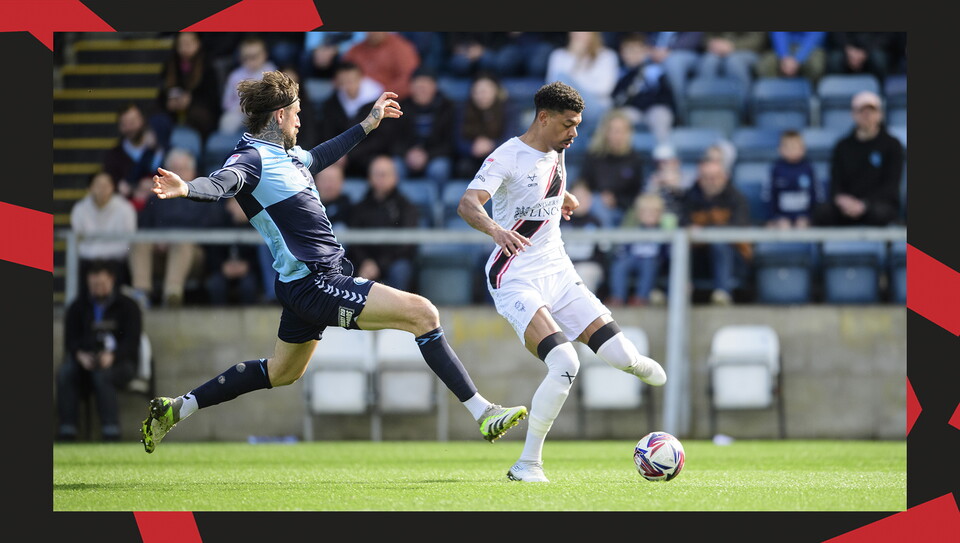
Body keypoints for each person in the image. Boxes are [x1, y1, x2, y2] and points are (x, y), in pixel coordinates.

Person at [140, 70, 527, 454]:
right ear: (279, 116)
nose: (299, 119)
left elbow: (319, 156)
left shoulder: (286, 154)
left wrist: (367, 124)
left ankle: (177, 408)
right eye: (296, 113)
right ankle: (482, 411)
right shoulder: (251, 158)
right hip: (315, 282)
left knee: (282, 371)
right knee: (423, 314)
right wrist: (188, 187)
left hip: (300, 284)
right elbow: (223, 182)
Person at [457, 81, 666, 483]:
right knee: (565, 363)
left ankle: (634, 363)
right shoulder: (507, 156)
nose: (575, 133)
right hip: (515, 277)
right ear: (544, 117)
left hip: (559, 272)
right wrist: (496, 232)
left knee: (621, 357)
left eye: (579, 125)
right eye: (569, 125)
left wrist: (563, 197)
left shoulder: (557, 150)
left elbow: (540, 187)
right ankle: (527, 465)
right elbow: (468, 203)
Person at [56, 260, 143, 441]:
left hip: (121, 363)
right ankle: (67, 429)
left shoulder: (128, 307)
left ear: (112, 280)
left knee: (102, 375)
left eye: (101, 284)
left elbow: (132, 342)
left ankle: (111, 431)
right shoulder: (77, 307)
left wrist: (113, 356)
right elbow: (70, 341)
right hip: (85, 362)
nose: (97, 288)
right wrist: (80, 356)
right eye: (93, 284)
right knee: (65, 373)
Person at [129, 148, 210, 308]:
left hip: (192, 257)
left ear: (192, 172)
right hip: (159, 254)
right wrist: (158, 239)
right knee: (140, 241)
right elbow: (145, 226)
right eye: (174, 170)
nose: (178, 174)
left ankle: (172, 294)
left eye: (183, 169)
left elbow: (207, 230)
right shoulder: (155, 198)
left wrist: (172, 239)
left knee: (182, 242)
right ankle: (141, 293)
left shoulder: (204, 196)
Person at [812, 90, 904, 227]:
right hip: (846, 207)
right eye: (862, 111)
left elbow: (890, 185)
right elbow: (836, 181)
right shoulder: (842, 146)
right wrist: (842, 200)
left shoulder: (892, 145)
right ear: (853, 115)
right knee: (821, 213)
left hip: (877, 206)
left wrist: (864, 205)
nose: (867, 115)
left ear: (880, 114)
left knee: (884, 213)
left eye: (871, 111)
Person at [681, 158, 752, 306]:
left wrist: (707, 232)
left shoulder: (737, 198)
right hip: (699, 256)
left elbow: (738, 229)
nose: (711, 181)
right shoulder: (690, 198)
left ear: (724, 177)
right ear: (699, 179)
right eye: (706, 178)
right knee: (679, 247)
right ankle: (676, 292)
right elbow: (682, 224)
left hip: (732, 257)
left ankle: (722, 293)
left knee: (719, 244)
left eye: (715, 177)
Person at [346, 155, 421, 292]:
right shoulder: (359, 207)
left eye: (384, 174)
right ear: (369, 178)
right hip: (364, 263)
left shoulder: (407, 208)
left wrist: (379, 265)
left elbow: (406, 245)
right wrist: (365, 262)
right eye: (376, 174)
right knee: (344, 267)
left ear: (395, 177)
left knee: (401, 269)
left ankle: (399, 312)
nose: (380, 179)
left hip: (393, 262)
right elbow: (353, 241)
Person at [317, 61, 391, 178]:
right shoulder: (332, 103)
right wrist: (337, 153)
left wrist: (349, 154)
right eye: (343, 82)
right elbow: (328, 132)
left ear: (361, 78)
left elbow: (381, 139)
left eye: (351, 80)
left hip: (369, 156)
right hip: (339, 157)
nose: (348, 85)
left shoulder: (377, 102)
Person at [577, 107, 647, 228]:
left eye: (621, 131)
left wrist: (616, 200)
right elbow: (584, 182)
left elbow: (637, 192)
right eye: (614, 131)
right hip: (594, 205)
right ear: (605, 132)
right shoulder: (594, 156)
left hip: (624, 210)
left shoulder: (634, 159)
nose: (617, 135)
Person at [69, 170, 137, 294]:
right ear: (89, 188)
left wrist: (100, 253)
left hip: (116, 260)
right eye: (98, 185)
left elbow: (127, 243)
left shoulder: (125, 208)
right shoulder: (79, 209)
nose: (103, 189)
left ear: (112, 187)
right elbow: (78, 243)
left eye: (106, 185)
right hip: (89, 260)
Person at [390, 68, 456, 188]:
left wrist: (428, 155)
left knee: (439, 168)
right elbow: (393, 139)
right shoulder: (400, 106)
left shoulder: (447, 107)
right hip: (407, 156)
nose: (422, 90)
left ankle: (438, 205)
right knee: (393, 166)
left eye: (426, 86)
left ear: (435, 87)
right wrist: (407, 154)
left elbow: (450, 142)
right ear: (411, 87)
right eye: (418, 86)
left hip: (435, 155)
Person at [545, 32, 620, 134]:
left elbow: (604, 88)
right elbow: (552, 87)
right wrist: (575, 58)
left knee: (562, 78)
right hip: (565, 106)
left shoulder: (607, 56)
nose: (579, 34)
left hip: (596, 107)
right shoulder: (558, 55)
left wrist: (574, 84)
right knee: (560, 80)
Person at [611, 32, 677, 144]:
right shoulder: (620, 73)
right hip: (633, 110)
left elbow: (666, 96)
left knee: (660, 114)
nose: (632, 55)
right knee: (622, 116)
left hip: (654, 108)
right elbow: (617, 97)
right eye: (629, 51)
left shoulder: (655, 71)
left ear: (645, 51)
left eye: (637, 51)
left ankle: (663, 149)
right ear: (622, 53)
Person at [156, 31, 222, 142]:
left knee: (197, 116)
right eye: (181, 44)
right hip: (174, 113)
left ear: (198, 43)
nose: (184, 48)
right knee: (158, 120)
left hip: (200, 114)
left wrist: (191, 101)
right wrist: (169, 102)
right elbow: (162, 94)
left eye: (188, 44)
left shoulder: (207, 65)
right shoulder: (171, 65)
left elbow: (213, 99)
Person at [607, 192, 668, 307]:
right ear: (639, 214)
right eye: (645, 212)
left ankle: (641, 298)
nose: (649, 215)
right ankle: (618, 297)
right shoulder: (634, 230)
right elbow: (625, 247)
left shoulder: (662, 231)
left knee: (649, 264)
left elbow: (665, 253)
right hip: (633, 258)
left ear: (659, 213)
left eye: (653, 212)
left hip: (652, 261)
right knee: (620, 265)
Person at [454, 72, 515, 179]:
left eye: (485, 91)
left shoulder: (508, 109)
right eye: (477, 92)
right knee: (463, 167)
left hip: (499, 157)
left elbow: (512, 139)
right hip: (471, 158)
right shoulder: (463, 110)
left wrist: (491, 145)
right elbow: (457, 140)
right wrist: (471, 147)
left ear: (496, 91)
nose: (481, 96)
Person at [204, 197, 262, 305]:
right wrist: (222, 266)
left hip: (248, 271)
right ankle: (219, 318)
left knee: (249, 286)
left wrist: (247, 266)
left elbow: (260, 257)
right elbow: (212, 253)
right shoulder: (221, 225)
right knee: (215, 285)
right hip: (223, 269)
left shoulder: (257, 227)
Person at [101, 103, 166, 199]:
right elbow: (114, 186)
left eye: (132, 122)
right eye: (124, 124)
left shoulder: (162, 143)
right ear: (120, 127)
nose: (130, 128)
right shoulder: (114, 156)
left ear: (142, 119)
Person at [764, 130, 825, 229]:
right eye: (788, 147)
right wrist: (773, 218)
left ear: (803, 149)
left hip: (805, 216)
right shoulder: (776, 169)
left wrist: (810, 217)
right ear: (781, 149)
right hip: (782, 217)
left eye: (796, 147)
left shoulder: (809, 168)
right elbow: (769, 197)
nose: (792, 150)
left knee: (802, 226)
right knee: (783, 227)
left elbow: (817, 196)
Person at [218, 35, 277, 135]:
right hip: (239, 112)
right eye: (246, 57)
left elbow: (275, 97)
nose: (250, 61)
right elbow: (226, 102)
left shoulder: (271, 71)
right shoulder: (235, 76)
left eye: (254, 57)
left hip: (263, 112)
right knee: (226, 122)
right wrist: (240, 108)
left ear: (264, 55)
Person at [559, 182, 607, 293]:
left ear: (590, 199)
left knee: (583, 273)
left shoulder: (596, 222)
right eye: (577, 197)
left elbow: (603, 251)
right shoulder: (560, 221)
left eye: (584, 197)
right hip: (564, 264)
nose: (580, 201)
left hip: (589, 264)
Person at [342, 32, 420, 101]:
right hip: (355, 99)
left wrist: (381, 93)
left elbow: (409, 79)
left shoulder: (401, 48)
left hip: (390, 102)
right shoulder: (355, 50)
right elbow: (343, 74)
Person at [694, 32, 767, 90]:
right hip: (716, 50)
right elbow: (706, 37)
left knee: (733, 61)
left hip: (747, 51)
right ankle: (706, 102)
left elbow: (757, 41)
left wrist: (732, 46)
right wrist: (712, 44)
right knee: (709, 60)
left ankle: (744, 102)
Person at [756, 32, 827, 84]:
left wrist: (799, 59)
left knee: (815, 66)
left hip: (812, 48)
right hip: (783, 48)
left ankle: (809, 98)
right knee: (765, 66)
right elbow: (778, 34)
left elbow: (816, 36)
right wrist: (784, 56)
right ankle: (773, 97)